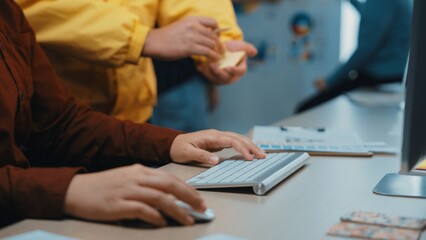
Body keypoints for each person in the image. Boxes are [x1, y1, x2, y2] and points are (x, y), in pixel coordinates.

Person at [0, 0, 266, 228]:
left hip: (103, 130)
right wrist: (67, 190)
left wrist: (172, 142)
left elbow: (61, 123)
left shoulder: (7, 13)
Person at [17, 0, 255, 131]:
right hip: (58, 122)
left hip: (135, 117)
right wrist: (140, 38)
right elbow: (28, 6)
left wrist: (217, 44)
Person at [295, 0, 412, 113]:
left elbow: (365, 49)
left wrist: (330, 81)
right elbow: (374, 18)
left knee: (304, 109)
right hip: (394, 75)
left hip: (376, 76)